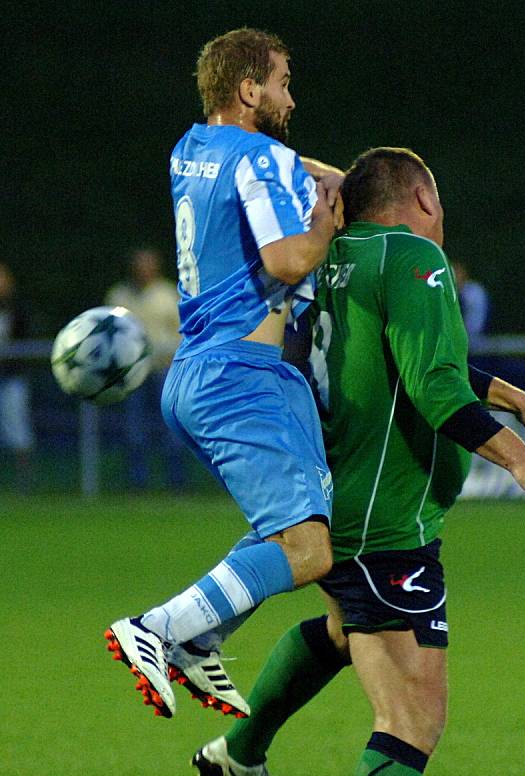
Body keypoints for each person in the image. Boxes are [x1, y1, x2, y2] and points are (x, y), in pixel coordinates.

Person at [191, 148, 525, 776]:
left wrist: (519, 400)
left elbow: (406, 362)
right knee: (412, 721)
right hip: (383, 524)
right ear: (425, 201)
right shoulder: (411, 256)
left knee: (344, 634)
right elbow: (434, 384)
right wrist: (522, 459)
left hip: (330, 501)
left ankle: (240, 751)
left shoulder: (328, 260)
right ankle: (244, 751)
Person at [105, 28, 342, 721]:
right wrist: (325, 227)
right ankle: (160, 628)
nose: (290, 98)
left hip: (206, 372)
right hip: (241, 376)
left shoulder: (192, 149)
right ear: (249, 90)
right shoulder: (259, 155)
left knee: (300, 530)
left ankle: (200, 635)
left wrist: (341, 181)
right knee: (308, 550)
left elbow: (293, 169)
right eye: (282, 83)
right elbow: (286, 261)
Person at [105, 247, 185, 489]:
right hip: (132, 373)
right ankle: (137, 482)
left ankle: (177, 483)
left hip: (164, 369)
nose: (144, 269)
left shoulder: (168, 293)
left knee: (172, 427)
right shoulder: (119, 295)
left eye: (148, 264)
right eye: (140, 264)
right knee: (134, 428)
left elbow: (182, 330)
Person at [0, 261, 35, 490]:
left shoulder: (18, 310)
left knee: (18, 430)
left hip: (10, 378)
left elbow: (25, 342)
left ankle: (24, 483)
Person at [451, 258, 490, 338]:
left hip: (477, 339)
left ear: (463, 273)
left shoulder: (474, 292)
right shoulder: (446, 292)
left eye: (457, 272)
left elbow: (475, 323)